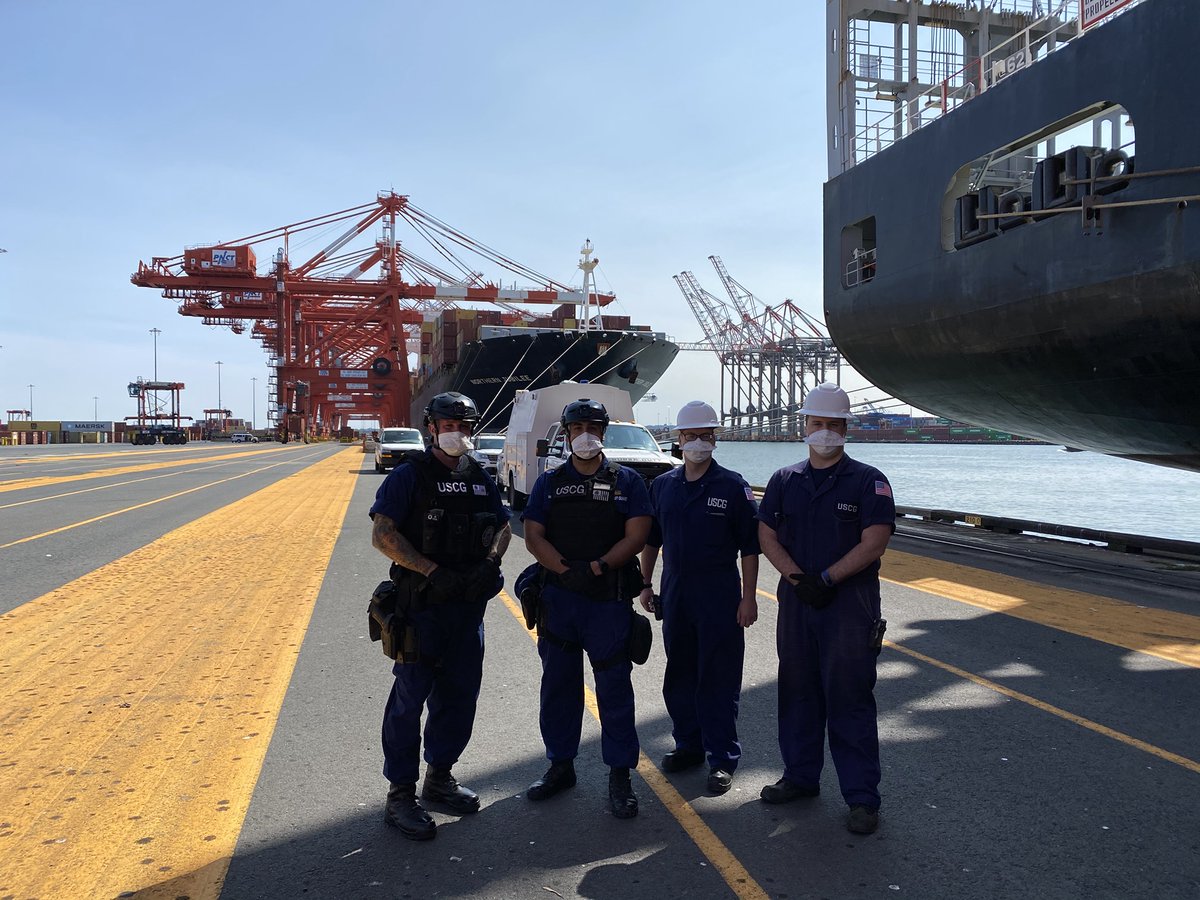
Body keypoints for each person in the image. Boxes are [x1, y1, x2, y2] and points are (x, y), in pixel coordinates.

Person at [368, 391, 511, 841]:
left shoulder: (479, 475)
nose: (457, 433)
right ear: (432, 427)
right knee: (409, 702)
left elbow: (504, 526)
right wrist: (431, 570)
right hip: (423, 608)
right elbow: (382, 534)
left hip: (467, 612)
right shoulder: (410, 475)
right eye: (448, 424)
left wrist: (490, 562)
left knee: (459, 697)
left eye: (464, 425)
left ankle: (439, 778)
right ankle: (400, 795)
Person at [756, 382, 895, 835]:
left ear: (845, 429)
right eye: (818, 424)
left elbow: (875, 541)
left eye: (834, 425)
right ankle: (800, 777)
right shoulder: (783, 480)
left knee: (850, 697)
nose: (826, 432)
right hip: (798, 602)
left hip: (848, 606)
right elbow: (766, 535)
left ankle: (861, 798)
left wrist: (829, 578)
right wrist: (798, 578)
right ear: (805, 426)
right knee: (797, 689)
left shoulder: (869, 480)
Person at [521, 398, 652, 819]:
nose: (584, 436)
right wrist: (563, 569)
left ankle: (620, 775)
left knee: (614, 688)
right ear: (566, 433)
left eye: (592, 427)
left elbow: (638, 534)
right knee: (558, 687)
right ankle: (561, 766)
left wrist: (598, 566)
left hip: (607, 600)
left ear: (604, 431)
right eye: (576, 428)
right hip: (560, 599)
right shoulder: (549, 482)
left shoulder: (627, 481)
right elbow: (533, 533)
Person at [638, 400, 760, 795]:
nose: (698, 443)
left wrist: (749, 598)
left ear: (715, 439)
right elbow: (652, 541)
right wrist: (645, 584)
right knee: (681, 672)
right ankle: (688, 744)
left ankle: (722, 758)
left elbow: (749, 548)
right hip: (676, 591)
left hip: (719, 591)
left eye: (705, 436)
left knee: (719, 675)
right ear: (678, 439)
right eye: (690, 436)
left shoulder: (733, 486)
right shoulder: (663, 486)